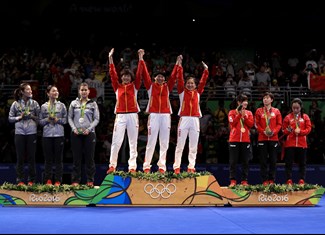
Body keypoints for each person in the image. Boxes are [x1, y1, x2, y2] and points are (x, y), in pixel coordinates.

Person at [140, 49, 181, 174]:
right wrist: (141, 58)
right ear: (154, 78)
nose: (160, 78)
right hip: (153, 116)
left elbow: (174, 76)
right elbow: (145, 74)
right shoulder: (150, 86)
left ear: (164, 79)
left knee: (164, 142)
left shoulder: (168, 87)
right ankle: (147, 166)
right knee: (151, 141)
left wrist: (178, 63)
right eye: (158, 76)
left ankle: (162, 166)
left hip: (165, 116)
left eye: (162, 76)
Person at [106, 48, 142, 174]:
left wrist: (141, 58)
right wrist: (110, 58)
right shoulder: (117, 87)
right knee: (116, 141)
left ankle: (132, 167)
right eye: (124, 76)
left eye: (128, 76)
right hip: (120, 116)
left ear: (130, 77)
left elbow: (139, 73)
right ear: (121, 77)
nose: (126, 77)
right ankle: (112, 166)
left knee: (133, 142)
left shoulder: (135, 86)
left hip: (133, 116)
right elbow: (112, 74)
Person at [173, 55, 209, 174]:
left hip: (194, 120)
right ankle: (176, 167)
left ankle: (191, 167)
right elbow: (179, 79)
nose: (189, 85)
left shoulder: (198, 92)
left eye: (192, 83)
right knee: (180, 145)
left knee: (193, 146)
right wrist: (179, 65)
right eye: (188, 83)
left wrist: (206, 70)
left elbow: (203, 81)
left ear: (195, 85)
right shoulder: (182, 92)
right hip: (184, 120)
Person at [8, 82, 40, 186]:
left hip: (31, 132)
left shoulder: (35, 103)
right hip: (20, 132)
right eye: (28, 89)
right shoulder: (15, 104)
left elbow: (40, 119)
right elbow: (10, 118)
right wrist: (19, 117)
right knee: (20, 157)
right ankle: (20, 180)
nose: (30, 91)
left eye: (31, 89)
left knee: (31, 157)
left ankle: (32, 180)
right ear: (22, 92)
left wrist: (32, 116)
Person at [68, 82, 100, 186]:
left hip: (89, 134)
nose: (84, 92)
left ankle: (90, 180)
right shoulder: (73, 103)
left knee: (89, 158)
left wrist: (89, 129)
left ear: (89, 91)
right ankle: (76, 180)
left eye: (85, 90)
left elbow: (96, 119)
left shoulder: (93, 104)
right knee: (76, 158)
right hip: (76, 133)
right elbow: (69, 118)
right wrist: (74, 129)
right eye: (82, 90)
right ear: (79, 91)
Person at [39, 85, 67, 186]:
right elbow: (40, 122)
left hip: (59, 135)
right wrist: (47, 120)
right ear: (48, 93)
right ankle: (48, 180)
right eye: (53, 91)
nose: (56, 93)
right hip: (47, 135)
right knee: (48, 159)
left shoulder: (62, 106)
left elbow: (66, 120)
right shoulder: (43, 106)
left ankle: (58, 180)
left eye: (57, 91)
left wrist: (57, 120)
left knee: (59, 159)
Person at [255, 92, 282, 185]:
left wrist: (273, 132)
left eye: (267, 98)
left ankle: (271, 180)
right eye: (264, 98)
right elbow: (256, 124)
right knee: (263, 160)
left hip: (273, 139)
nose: (265, 99)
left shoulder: (276, 111)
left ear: (272, 100)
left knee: (273, 160)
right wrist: (263, 131)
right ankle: (264, 180)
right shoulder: (259, 111)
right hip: (262, 138)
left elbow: (279, 124)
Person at [282, 98, 312, 185]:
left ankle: (302, 180)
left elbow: (309, 129)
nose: (295, 110)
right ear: (291, 107)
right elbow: (283, 130)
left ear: (301, 107)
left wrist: (301, 132)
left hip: (302, 143)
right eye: (294, 108)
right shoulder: (288, 117)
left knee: (302, 163)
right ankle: (289, 180)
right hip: (290, 144)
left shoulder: (305, 117)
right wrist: (289, 130)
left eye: (297, 108)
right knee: (288, 163)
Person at [228, 94, 254, 187]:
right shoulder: (232, 112)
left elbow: (251, 125)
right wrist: (239, 115)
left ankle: (244, 181)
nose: (246, 103)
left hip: (245, 140)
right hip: (234, 139)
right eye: (244, 101)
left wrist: (245, 117)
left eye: (246, 101)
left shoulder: (249, 113)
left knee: (245, 161)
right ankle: (233, 181)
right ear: (239, 102)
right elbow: (232, 123)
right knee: (233, 161)